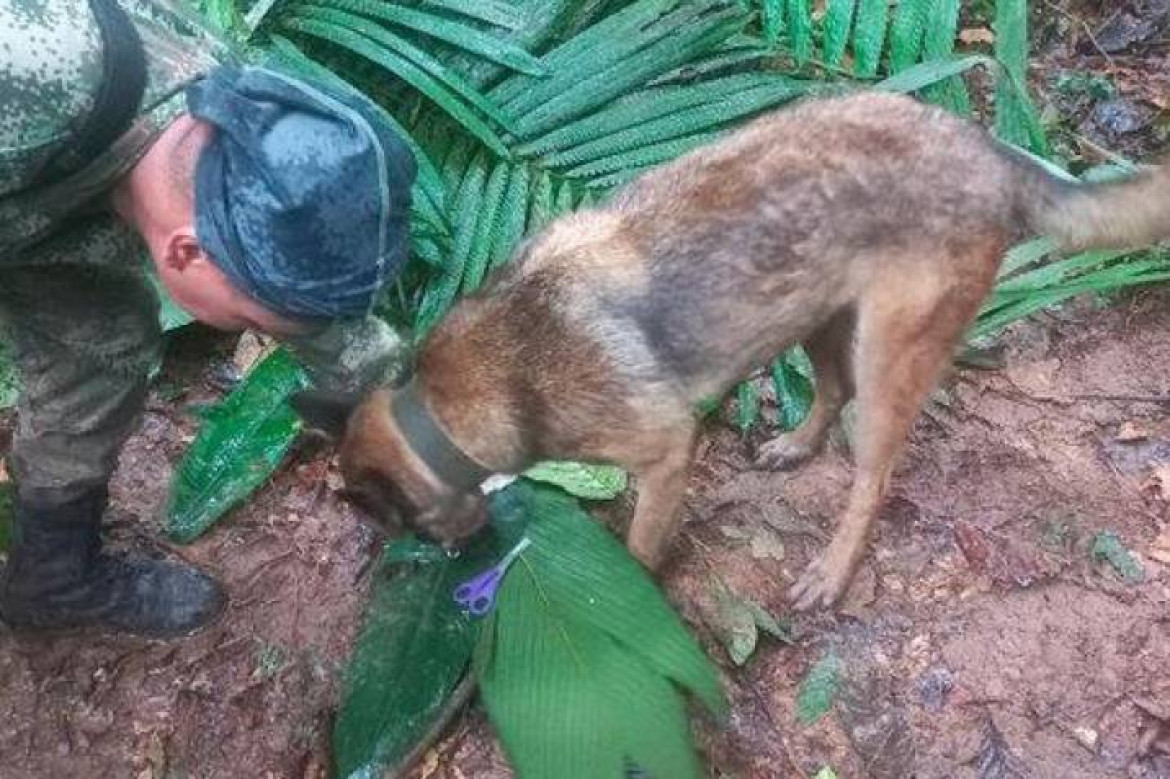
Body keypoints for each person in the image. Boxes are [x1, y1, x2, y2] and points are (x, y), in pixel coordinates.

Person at [0, 0, 417, 638]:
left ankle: (53, 578)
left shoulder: (237, 126)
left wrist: (430, 434)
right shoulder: (26, 76)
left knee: (99, 346)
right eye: (257, 321)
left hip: (45, 189)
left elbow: (311, 316)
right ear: (187, 250)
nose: (275, 331)